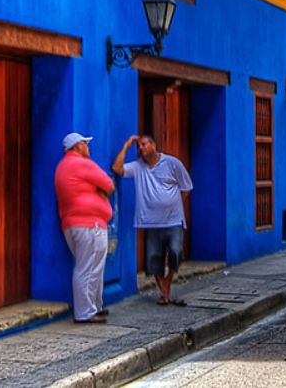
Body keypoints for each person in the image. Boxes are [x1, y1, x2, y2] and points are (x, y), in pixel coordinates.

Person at [112, 134, 193, 306]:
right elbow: (116, 168)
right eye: (139, 146)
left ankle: (168, 282)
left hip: (173, 221)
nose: (141, 148)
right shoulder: (137, 167)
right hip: (149, 221)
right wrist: (127, 146)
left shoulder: (172, 163)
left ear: (154, 145)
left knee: (175, 251)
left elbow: (186, 187)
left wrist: (173, 206)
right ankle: (163, 292)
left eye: (144, 145)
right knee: (154, 258)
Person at [54, 132, 115, 324]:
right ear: (78, 146)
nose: (88, 147)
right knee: (88, 268)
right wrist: (101, 191)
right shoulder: (82, 164)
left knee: (91, 266)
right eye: (85, 144)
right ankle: (85, 313)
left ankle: (95, 306)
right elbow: (109, 184)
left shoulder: (62, 167)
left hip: (72, 224)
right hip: (90, 224)